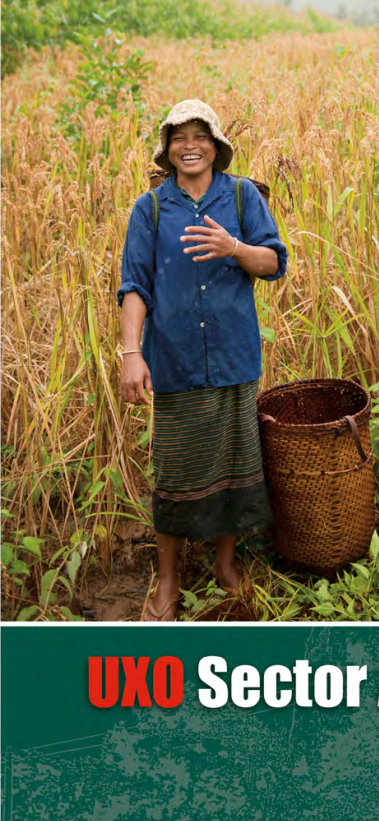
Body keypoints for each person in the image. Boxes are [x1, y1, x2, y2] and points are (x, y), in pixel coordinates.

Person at [118, 99, 288, 620]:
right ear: (167, 150)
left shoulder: (239, 197)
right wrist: (131, 353)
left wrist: (232, 246)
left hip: (233, 356)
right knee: (176, 471)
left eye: (200, 136)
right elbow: (134, 286)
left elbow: (274, 261)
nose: (189, 146)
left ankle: (225, 565)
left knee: (235, 465)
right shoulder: (150, 209)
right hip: (173, 360)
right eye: (178, 137)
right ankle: (167, 581)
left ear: (216, 146)